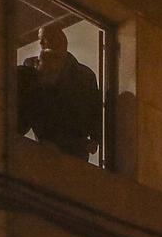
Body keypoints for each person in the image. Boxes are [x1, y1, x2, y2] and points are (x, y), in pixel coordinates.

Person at [16, 23, 102, 159]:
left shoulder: (85, 75)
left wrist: (95, 138)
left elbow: (94, 108)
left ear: (61, 41)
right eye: (41, 39)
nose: (41, 42)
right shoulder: (30, 68)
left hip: (75, 141)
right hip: (47, 140)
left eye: (46, 38)